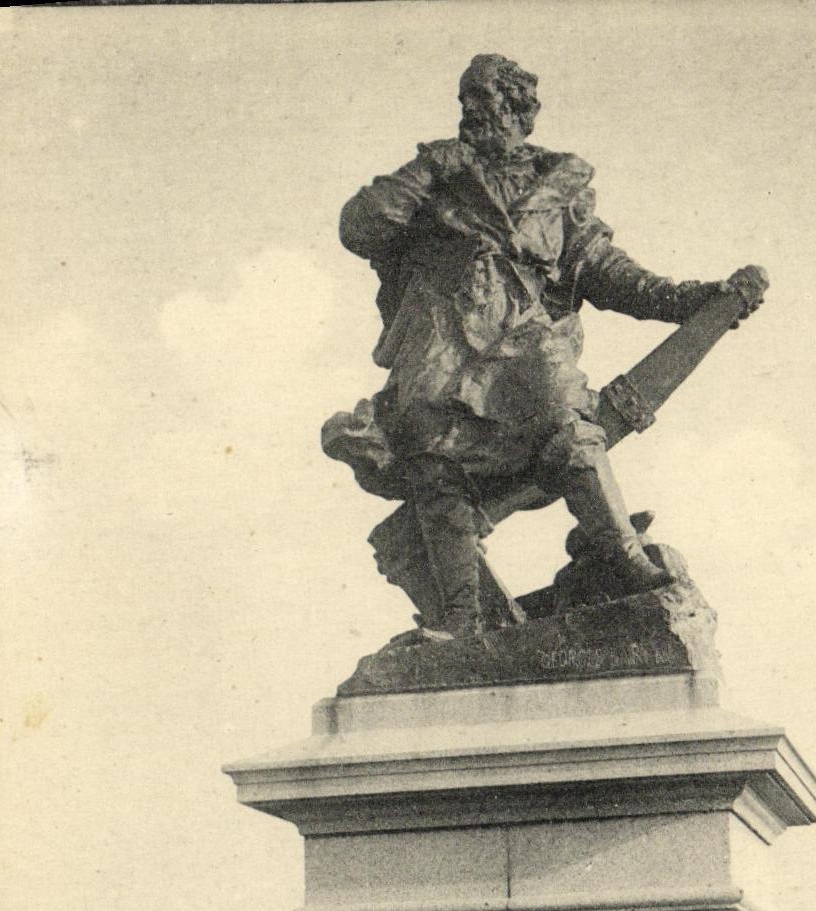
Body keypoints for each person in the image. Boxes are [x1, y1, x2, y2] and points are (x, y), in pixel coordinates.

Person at [324, 53, 762, 639]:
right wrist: (430, 169)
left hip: (523, 335)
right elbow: (360, 227)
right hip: (440, 341)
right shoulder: (434, 178)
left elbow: (606, 272)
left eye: (485, 100)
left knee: (567, 422)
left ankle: (625, 560)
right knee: (431, 460)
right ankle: (460, 620)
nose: (472, 113)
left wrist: (694, 300)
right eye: (466, 102)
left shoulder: (557, 185)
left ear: (519, 111)